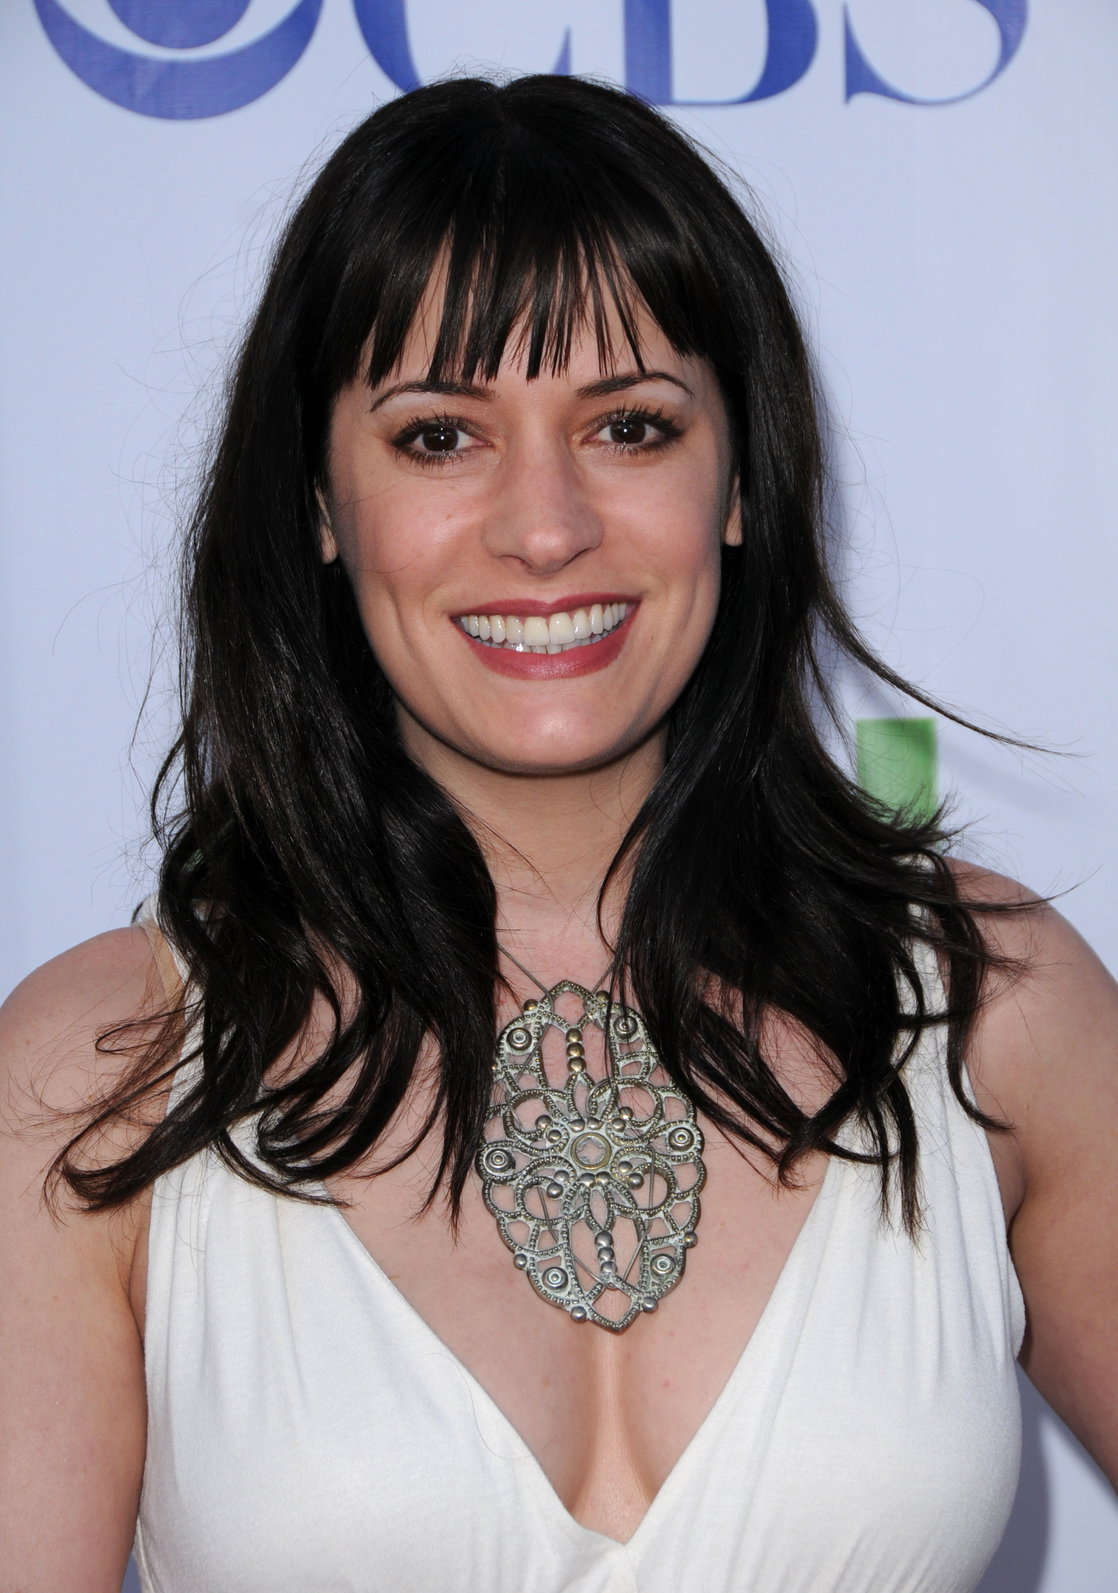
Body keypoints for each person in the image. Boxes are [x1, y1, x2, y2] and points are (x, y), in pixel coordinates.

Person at [1, 73, 1115, 1593]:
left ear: (739, 477)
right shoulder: (95, 1074)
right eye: (440, 436)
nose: (545, 527)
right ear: (320, 499)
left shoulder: (993, 1004)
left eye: (631, 427)